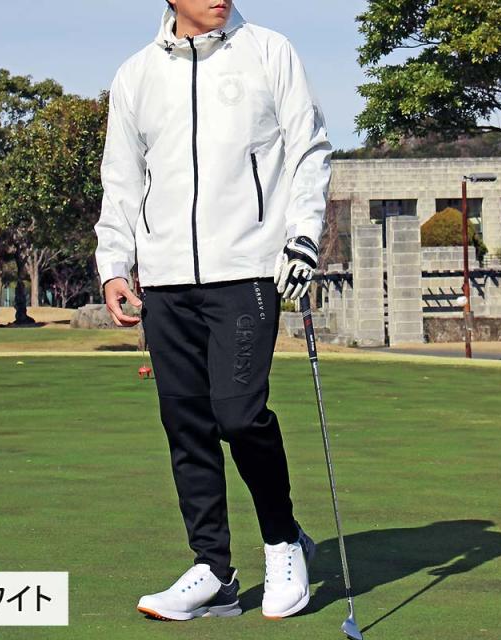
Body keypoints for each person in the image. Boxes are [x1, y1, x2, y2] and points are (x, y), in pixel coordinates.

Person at [93, 0, 332, 621]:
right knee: (186, 424)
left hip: (247, 270)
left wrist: (303, 236)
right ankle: (213, 571)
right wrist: (114, 264)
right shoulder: (136, 75)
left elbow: (308, 149)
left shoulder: (270, 52)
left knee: (239, 415)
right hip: (165, 280)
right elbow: (122, 178)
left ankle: (282, 543)